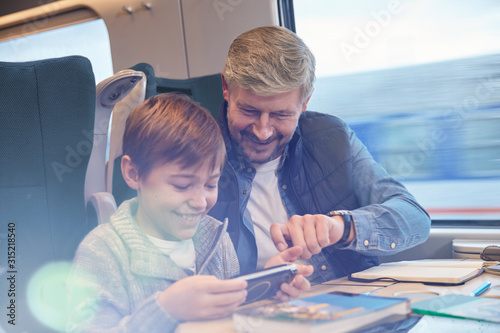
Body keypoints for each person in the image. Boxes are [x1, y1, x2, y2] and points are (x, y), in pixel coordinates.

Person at [66, 92, 312, 332]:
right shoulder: (102, 253)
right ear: (133, 174)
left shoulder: (217, 239)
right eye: (182, 186)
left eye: (210, 185)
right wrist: (165, 310)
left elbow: (228, 321)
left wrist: (265, 289)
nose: (199, 202)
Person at [208, 25, 431, 283]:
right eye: (249, 111)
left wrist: (340, 227)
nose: (263, 132)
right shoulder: (195, 152)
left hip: (351, 302)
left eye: (281, 115)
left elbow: (414, 218)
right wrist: (263, 284)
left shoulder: (332, 137)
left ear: (305, 102)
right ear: (226, 87)